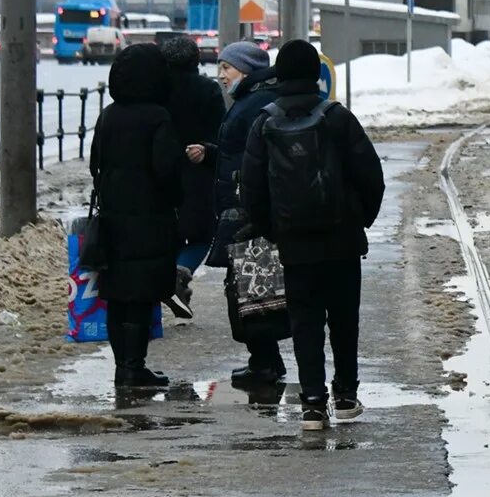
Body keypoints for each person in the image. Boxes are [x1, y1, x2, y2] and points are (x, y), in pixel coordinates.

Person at [241, 39, 386, 428]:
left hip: (294, 243)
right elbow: (371, 175)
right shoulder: (337, 117)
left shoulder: (264, 122)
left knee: (304, 322)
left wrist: (272, 230)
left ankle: (312, 403)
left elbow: (251, 188)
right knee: (343, 320)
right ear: (315, 74)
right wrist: (360, 219)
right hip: (342, 241)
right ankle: (346, 396)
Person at [90, 43, 182, 389]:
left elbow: (94, 164)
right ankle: (135, 366)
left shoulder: (108, 115)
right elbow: (166, 170)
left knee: (117, 295)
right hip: (150, 219)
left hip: (113, 219)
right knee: (142, 296)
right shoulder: (158, 116)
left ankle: (121, 366)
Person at [202, 41, 288, 385]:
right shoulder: (251, 100)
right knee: (255, 285)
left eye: (227, 68)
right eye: (220, 67)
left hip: (246, 209)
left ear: (247, 70)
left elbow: (254, 157)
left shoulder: (253, 104)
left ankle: (263, 363)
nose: (221, 75)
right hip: (244, 205)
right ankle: (268, 359)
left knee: (250, 287)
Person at [160, 35, 225, 318]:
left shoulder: (155, 90)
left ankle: (166, 279)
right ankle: (180, 274)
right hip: (198, 173)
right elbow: (221, 133)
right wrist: (207, 151)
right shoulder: (208, 90)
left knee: (166, 233)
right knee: (201, 235)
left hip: (162, 172)